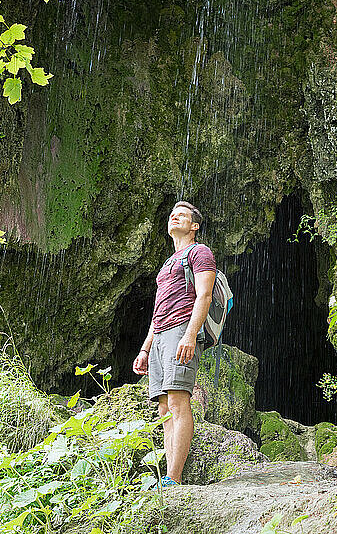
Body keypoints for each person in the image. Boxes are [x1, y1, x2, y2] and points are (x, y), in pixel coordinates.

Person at [132, 201, 216, 486]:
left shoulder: (199, 252)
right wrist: (145, 348)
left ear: (195, 226)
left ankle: (173, 478)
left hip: (181, 330)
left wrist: (191, 335)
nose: (174, 216)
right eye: (171, 214)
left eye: (182, 215)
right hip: (160, 336)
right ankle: (169, 476)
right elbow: (158, 312)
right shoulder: (167, 264)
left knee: (179, 400)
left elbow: (204, 295)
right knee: (164, 408)